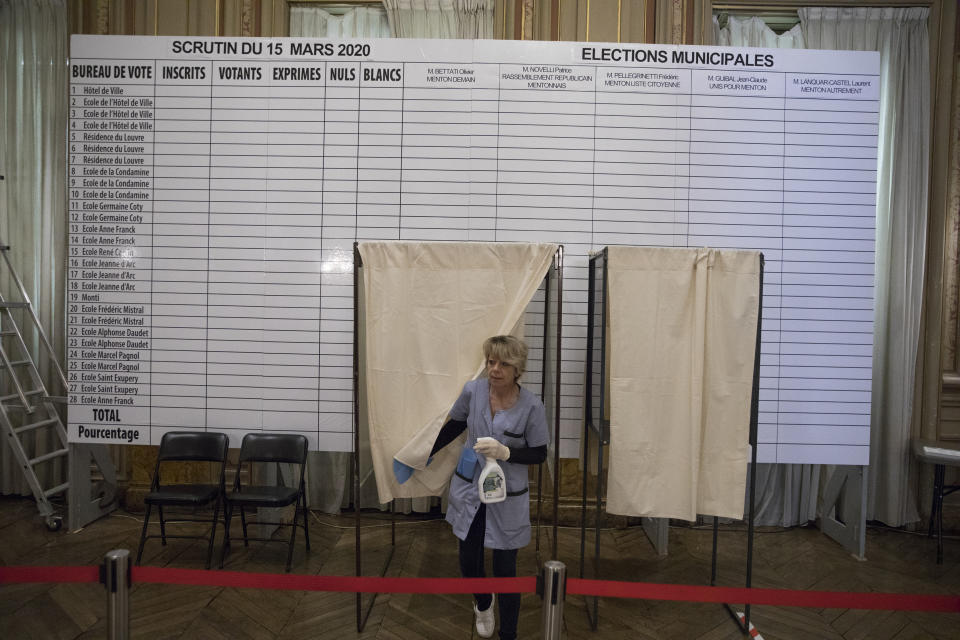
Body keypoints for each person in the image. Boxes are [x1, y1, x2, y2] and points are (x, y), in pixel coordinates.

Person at [429, 335, 548, 640]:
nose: (495, 369)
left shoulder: (532, 406)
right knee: (469, 562)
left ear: (517, 368)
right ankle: (483, 602)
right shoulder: (473, 391)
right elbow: (455, 425)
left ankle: (509, 634)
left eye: (504, 364)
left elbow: (539, 452)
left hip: (507, 494)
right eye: (491, 362)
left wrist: (507, 452)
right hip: (470, 488)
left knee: (506, 570)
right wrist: (422, 453)